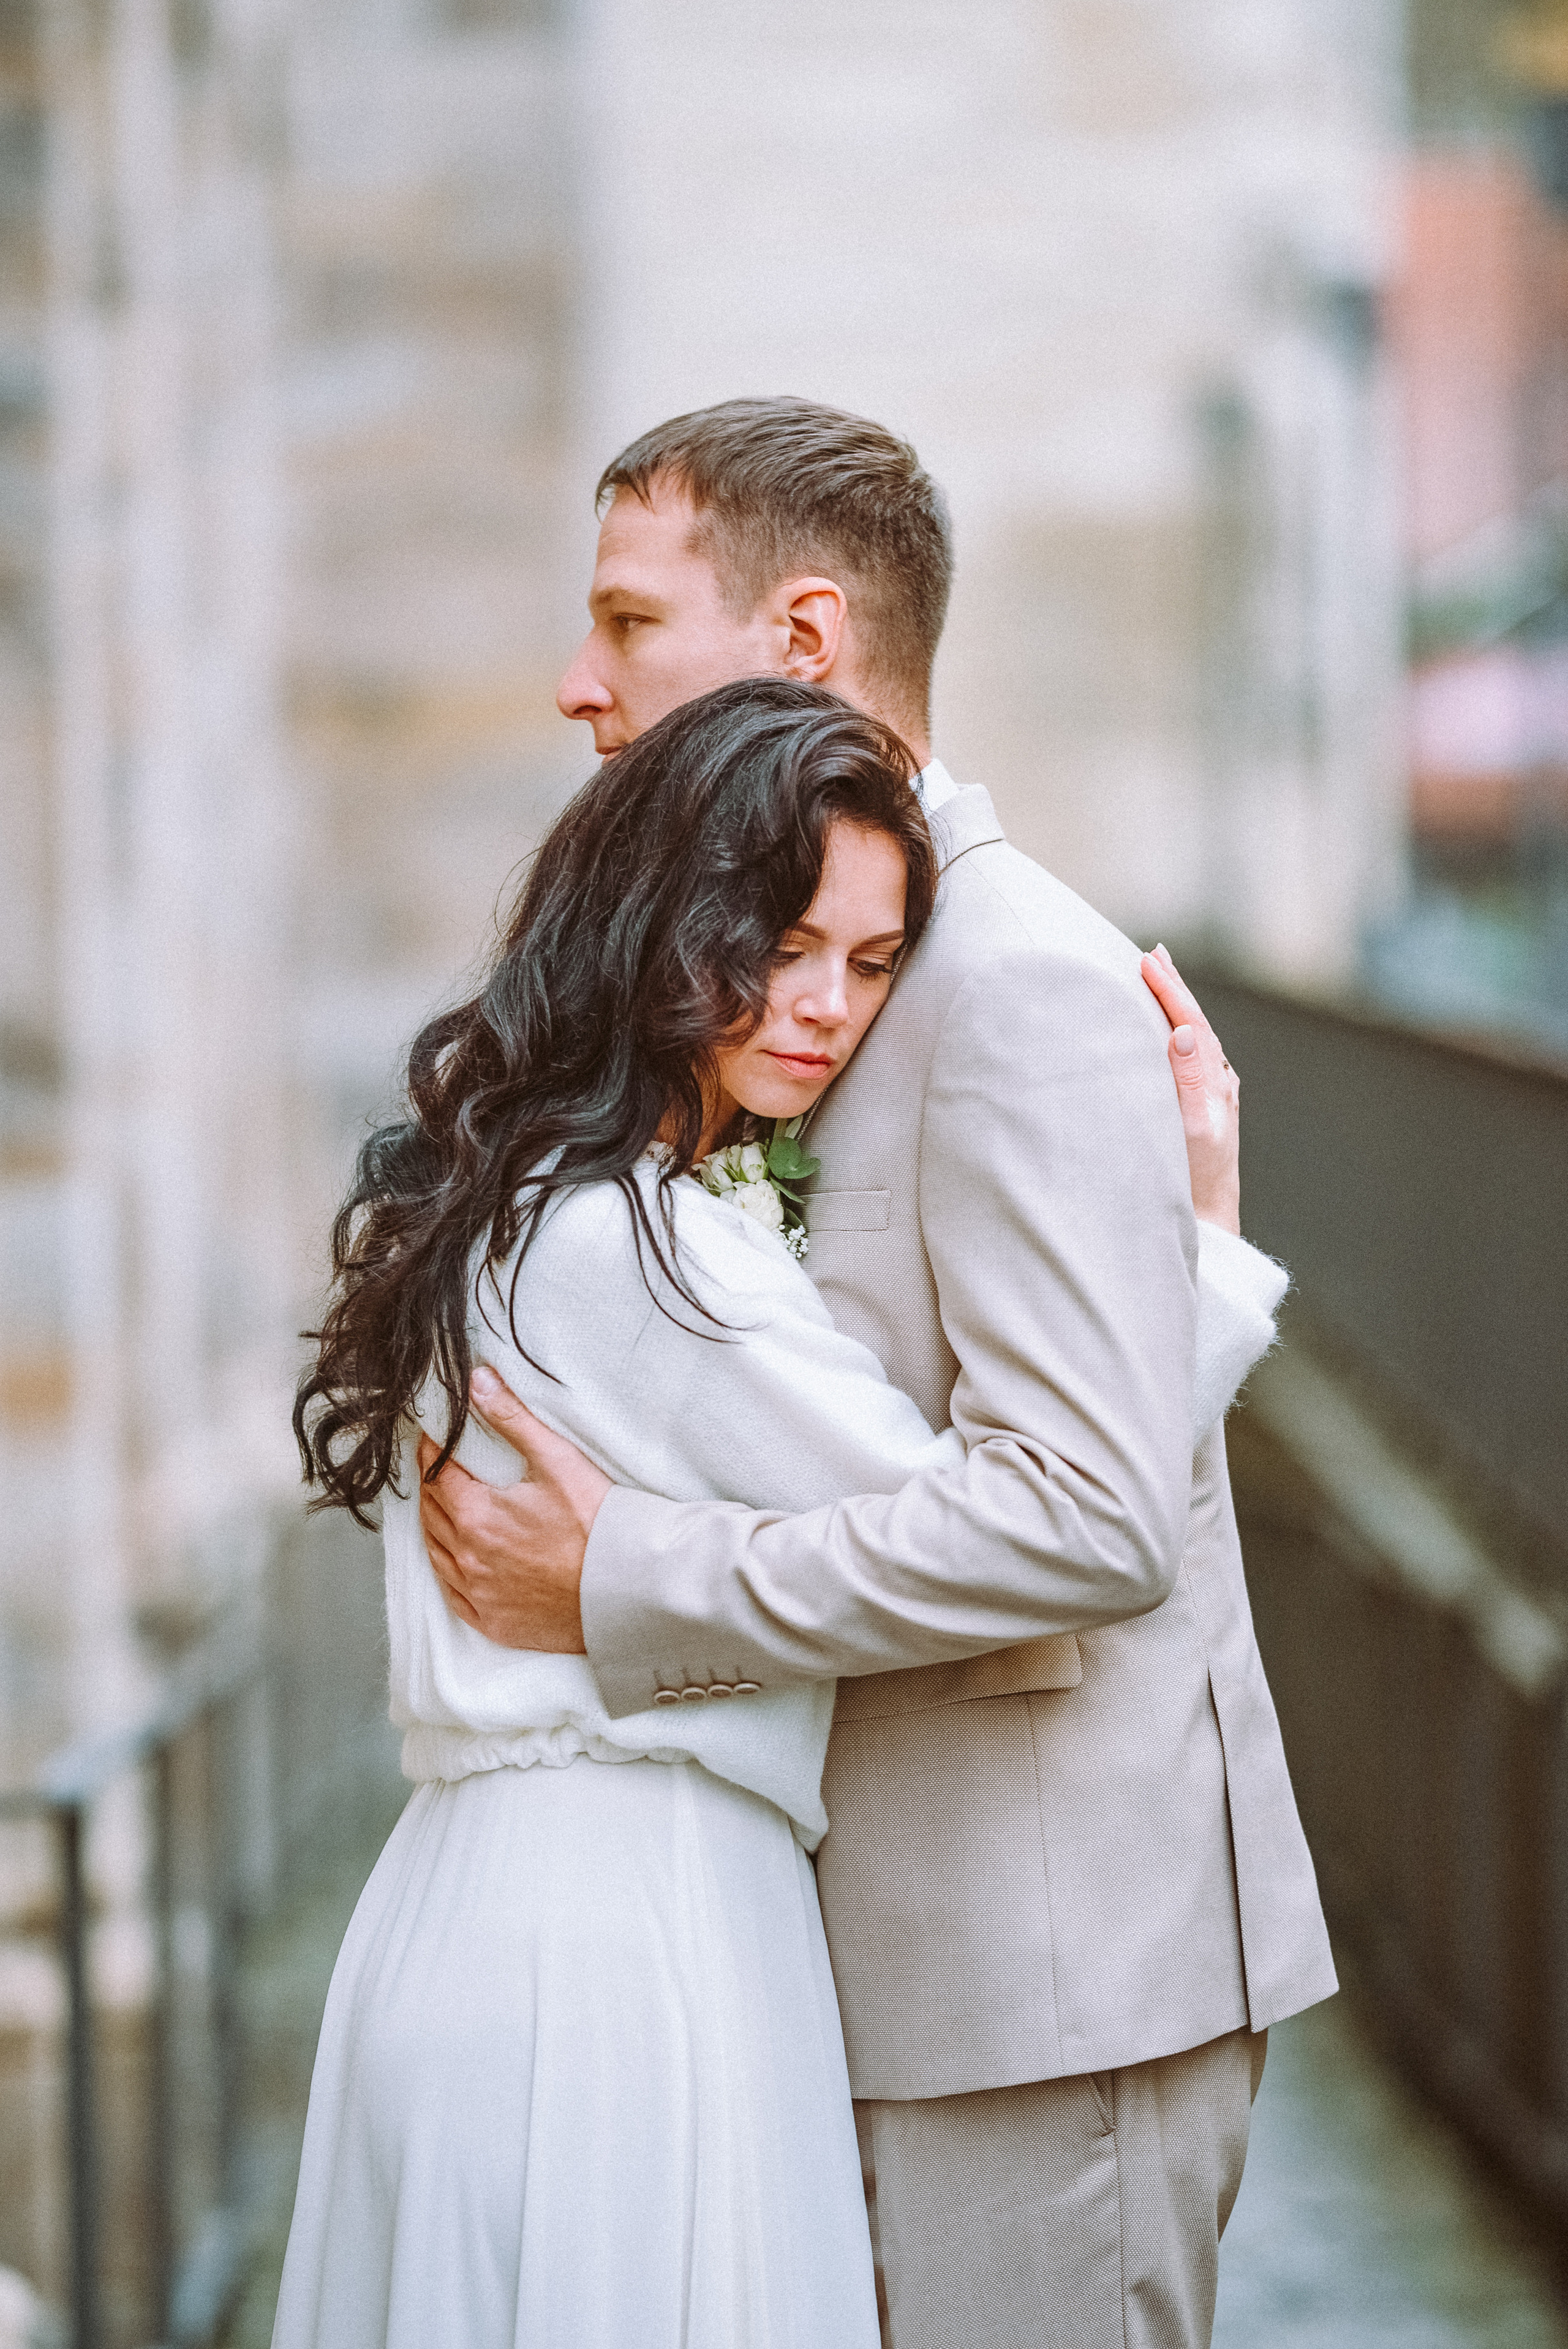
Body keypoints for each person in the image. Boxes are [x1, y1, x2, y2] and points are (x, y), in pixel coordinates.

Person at [419, 399, 1337, 2349]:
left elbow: (1088, 1512)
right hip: (843, 1960)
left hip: (1039, 1986)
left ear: (807, 638)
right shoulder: (790, 982)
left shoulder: (1011, 977)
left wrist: (620, 1578)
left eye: (629, 620)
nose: (580, 682)